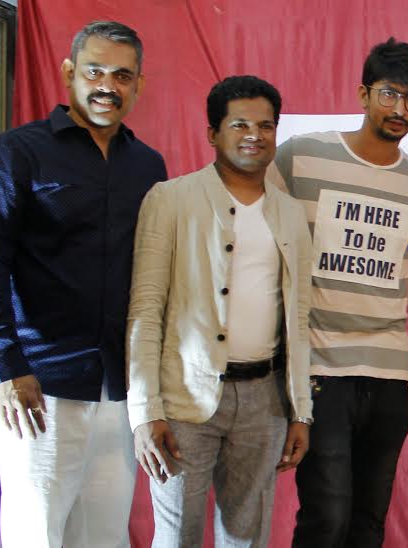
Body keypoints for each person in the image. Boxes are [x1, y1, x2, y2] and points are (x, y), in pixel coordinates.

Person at [0, 20, 167, 548]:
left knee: (104, 536)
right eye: (95, 71)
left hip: (117, 388)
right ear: (69, 73)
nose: (108, 85)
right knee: (37, 535)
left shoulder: (147, 165)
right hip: (38, 386)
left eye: (122, 75)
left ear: (138, 84)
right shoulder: (17, 151)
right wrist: (8, 366)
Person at [127, 75, 313, 547]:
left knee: (247, 536)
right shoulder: (170, 199)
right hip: (183, 398)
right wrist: (145, 412)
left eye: (266, 126)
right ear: (213, 133)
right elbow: (145, 310)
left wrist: (301, 412)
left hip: (266, 401)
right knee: (177, 536)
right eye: (240, 124)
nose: (255, 135)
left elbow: (298, 317)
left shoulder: (291, 213)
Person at [269, 38, 408, 548]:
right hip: (322, 369)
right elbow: (261, 235)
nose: (400, 109)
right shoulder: (301, 156)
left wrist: (385, 296)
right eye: (389, 94)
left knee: (368, 521)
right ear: (364, 94)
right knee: (327, 515)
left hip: (390, 373)